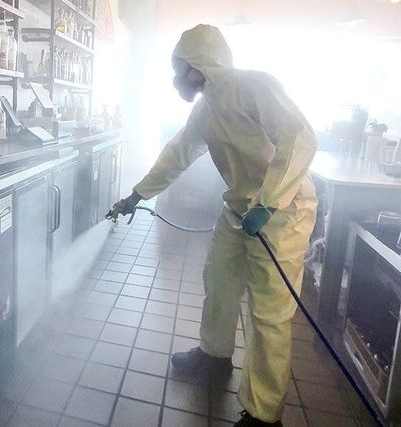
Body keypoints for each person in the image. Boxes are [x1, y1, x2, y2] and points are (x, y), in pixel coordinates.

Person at [109, 24, 317, 427]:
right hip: (239, 208)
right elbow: (178, 153)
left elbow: (299, 137)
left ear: (202, 65)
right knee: (218, 280)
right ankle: (214, 354)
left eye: (182, 67)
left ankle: (263, 412)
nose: (178, 77)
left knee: (269, 312)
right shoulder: (205, 109)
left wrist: (269, 202)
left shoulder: (254, 86)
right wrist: (136, 195)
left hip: (284, 211)